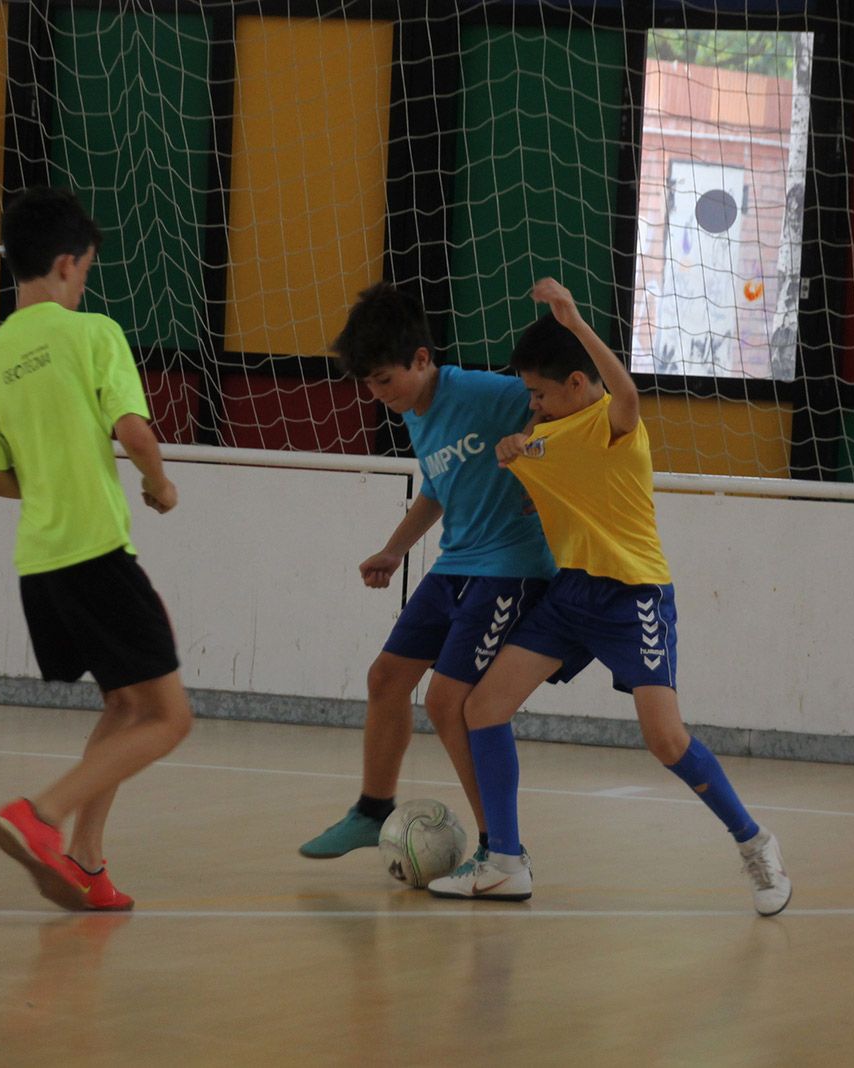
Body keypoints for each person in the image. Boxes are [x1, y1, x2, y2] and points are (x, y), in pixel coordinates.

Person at [427, 278, 792, 915]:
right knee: (484, 707)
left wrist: (572, 321)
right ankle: (506, 861)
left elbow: (625, 392)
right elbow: (532, 470)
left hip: (634, 598)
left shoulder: (614, 422)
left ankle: (754, 841)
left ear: (576, 382)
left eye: (539, 393)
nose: (531, 406)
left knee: (665, 740)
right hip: (571, 594)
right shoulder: (541, 435)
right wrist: (516, 450)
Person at [0, 186, 191, 912]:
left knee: (126, 707)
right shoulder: (93, 333)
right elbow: (133, 431)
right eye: (87, 270)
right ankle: (40, 815)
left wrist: (52, 465)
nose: (86, 282)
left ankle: (88, 860)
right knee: (168, 718)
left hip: (41, 565)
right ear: (67, 265)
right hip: (97, 552)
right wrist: (159, 485)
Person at [299, 282, 562, 865]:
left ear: (422, 359)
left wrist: (541, 465)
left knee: (448, 702)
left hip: (510, 571)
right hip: (457, 565)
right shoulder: (415, 411)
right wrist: (394, 550)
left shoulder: (484, 393)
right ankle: (372, 811)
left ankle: (502, 850)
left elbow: (566, 414)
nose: (376, 393)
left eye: (384, 380)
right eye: (366, 383)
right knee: (385, 679)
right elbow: (441, 488)